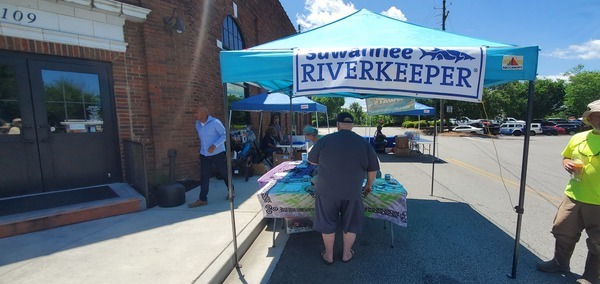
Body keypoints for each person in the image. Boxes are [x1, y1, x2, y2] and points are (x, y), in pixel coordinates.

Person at [537, 99, 600, 284]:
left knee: (598, 241)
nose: (599, 119)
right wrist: (567, 164)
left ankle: (591, 276)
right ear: (589, 118)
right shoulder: (579, 137)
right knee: (562, 229)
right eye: (595, 115)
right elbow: (566, 156)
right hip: (574, 195)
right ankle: (559, 263)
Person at [307, 112, 380, 265]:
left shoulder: (325, 140)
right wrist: (369, 185)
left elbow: (311, 161)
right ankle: (346, 254)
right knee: (351, 223)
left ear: (337, 125)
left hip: (327, 191)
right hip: (352, 191)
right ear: (352, 125)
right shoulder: (364, 143)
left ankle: (329, 256)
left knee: (327, 223)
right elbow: (372, 170)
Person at [188, 107, 234, 207]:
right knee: (204, 176)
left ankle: (231, 191)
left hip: (217, 153)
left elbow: (225, 135)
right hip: (204, 154)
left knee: (224, 173)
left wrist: (214, 145)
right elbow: (203, 138)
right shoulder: (197, 124)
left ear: (204, 113)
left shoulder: (215, 122)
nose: (195, 114)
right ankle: (202, 199)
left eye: (197, 112)